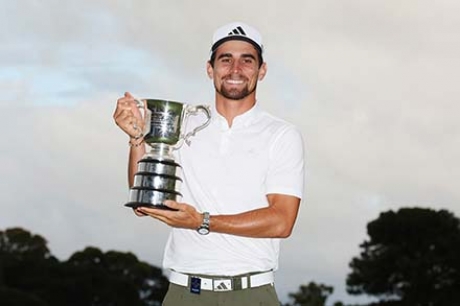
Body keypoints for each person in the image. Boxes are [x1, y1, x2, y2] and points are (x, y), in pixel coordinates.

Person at [113, 21, 305, 306]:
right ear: (210, 69)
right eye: (225, 59)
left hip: (252, 293)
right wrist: (137, 138)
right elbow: (146, 202)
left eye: (247, 60)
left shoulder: (281, 134)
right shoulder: (183, 123)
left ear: (261, 71)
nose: (235, 69)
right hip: (184, 293)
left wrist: (202, 221)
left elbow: (281, 221)